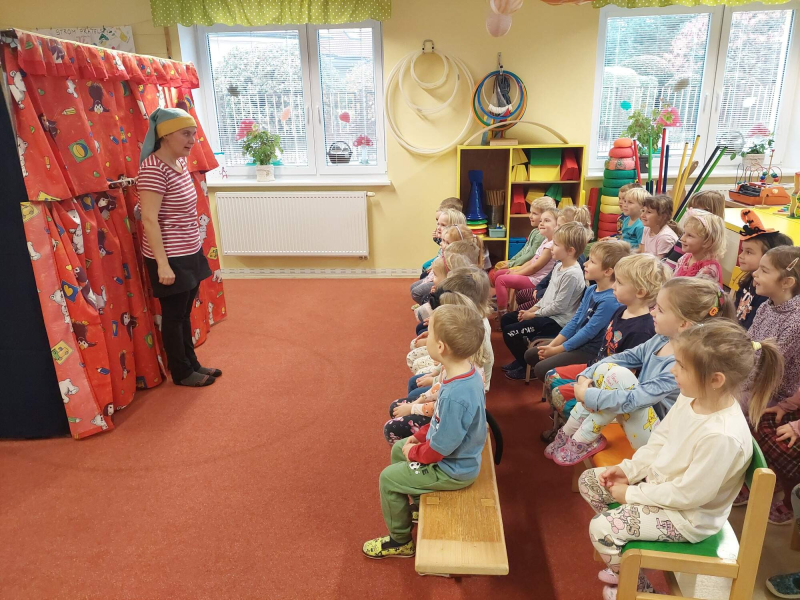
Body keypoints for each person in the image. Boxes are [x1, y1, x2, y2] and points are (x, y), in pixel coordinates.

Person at [578, 319, 783, 600]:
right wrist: (629, 470)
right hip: (664, 491)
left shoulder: (721, 436)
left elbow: (688, 495)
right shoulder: (692, 397)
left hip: (688, 518)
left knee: (602, 528)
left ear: (715, 380)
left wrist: (632, 494)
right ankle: (623, 556)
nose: (673, 370)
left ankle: (637, 588)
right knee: (591, 481)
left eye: (682, 366)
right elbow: (660, 440)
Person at [546, 277, 732, 465]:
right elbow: (624, 357)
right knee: (606, 368)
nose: (652, 312)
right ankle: (569, 432)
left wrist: (588, 395)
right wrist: (585, 376)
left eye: (660, 309)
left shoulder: (683, 365)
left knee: (619, 377)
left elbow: (636, 398)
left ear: (683, 323)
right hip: (637, 419)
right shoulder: (662, 339)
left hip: (659, 442)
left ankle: (583, 439)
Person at [363, 304, 487, 559]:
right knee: (399, 448)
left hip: (453, 469)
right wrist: (416, 437)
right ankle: (419, 503)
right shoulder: (463, 373)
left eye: (429, 335)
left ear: (440, 347)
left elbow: (440, 449)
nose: (425, 338)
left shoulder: (455, 395)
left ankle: (400, 541)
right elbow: (442, 422)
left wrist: (414, 452)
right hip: (452, 456)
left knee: (387, 479)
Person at [540, 253, 669, 441]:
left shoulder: (643, 330)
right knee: (551, 377)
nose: (614, 286)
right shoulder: (620, 309)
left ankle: (578, 434)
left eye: (620, 282)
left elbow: (626, 376)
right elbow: (606, 349)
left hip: (609, 384)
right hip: (597, 368)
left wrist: (590, 388)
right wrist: (588, 374)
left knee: (562, 395)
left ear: (640, 292)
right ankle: (564, 426)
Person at [136, 107, 219, 388]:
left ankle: (191, 363)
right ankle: (181, 372)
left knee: (184, 313)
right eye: (185, 134)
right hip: (169, 256)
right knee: (174, 316)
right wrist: (162, 264)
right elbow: (149, 219)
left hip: (190, 250)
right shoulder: (153, 169)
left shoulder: (180, 163)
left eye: (193, 134)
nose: (192, 140)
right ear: (165, 135)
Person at [517, 240, 631, 383]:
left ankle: (565, 387)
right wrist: (552, 346)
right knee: (531, 355)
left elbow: (588, 332)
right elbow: (575, 320)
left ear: (607, 271)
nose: (585, 264)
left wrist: (557, 350)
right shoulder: (591, 289)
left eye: (592, 262)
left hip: (590, 350)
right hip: (577, 342)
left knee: (541, 369)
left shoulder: (609, 300)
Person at [742, 245, 800, 524]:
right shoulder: (767, 306)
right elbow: (749, 344)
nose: (755, 274)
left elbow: (768, 363)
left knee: (735, 412)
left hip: (777, 390)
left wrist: (733, 383)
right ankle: (751, 477)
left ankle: (783, 493)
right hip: (758, 383)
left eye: (764, 270)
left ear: (786, 282)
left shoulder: (796, 320)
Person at [500, 222, 589, 378]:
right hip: (546, 314)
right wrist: (531, 310)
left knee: (510, 331)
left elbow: (559, 307)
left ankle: (528, 367)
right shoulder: (559, 265)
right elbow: (548, 296)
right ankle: (521, 360)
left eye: (556, 244)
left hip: (557, 321)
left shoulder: (572, 274)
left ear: (570, 251)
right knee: (507, 319)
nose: (551, 247)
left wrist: (533, 315)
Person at [732, 209, 793, 330]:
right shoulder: (749, 280)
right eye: (742, 250)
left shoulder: (766, 293)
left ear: (768, 257)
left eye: (749, 252)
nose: (741, 256)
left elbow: (752, 328)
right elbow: (735, 309)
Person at [494, 207, 559, 315]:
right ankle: (504, 303)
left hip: (536, 280)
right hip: (531, 276)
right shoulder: (545, 241)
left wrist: (516, 273)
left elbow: (535, 267)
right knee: (499, 273)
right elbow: (531, 261)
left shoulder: (550, 246)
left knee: (501, 280)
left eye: (547, 221)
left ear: (557, 226)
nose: (541, 223)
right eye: (541, 220)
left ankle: (502, 313)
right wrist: (516, 270)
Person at [489, 196, 557, 285]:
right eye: (530, 212)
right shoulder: (534, 231)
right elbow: (524, 249)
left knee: (496, 273)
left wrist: (511, 264)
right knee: (497, 270)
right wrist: (511, 261)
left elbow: (531, 256)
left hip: (527, 268)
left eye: (534, 213)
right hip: (523, 264)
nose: (530, 216)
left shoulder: (542, 236)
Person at [411, 208, 466, 304]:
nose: (438, 228)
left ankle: (432, 305)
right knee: (414, 287)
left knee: (416, 292)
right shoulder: (445, 242)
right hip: (438, 276)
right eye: (438, 224)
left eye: (443, 225)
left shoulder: (455, 249)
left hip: (446, 282)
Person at [663, 190, 725, 268]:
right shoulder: (686, 237)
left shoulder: (706, 250)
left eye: (697, 209)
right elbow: (670, 258)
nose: (692, 212)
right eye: (691, 208)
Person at [671, 208, 727, 286]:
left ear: (707, 241)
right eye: (684, 233)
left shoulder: (708, 271)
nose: (682, 238)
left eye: (689, 235)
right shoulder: (685, 258)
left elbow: (696, 293)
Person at [639, 194, 682, 259]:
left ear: (663, 216)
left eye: (649, 212)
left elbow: (660, 263)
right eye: (643, 211)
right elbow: (642, 254)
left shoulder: (665, 237)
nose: (642, 215)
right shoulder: (647, 228)